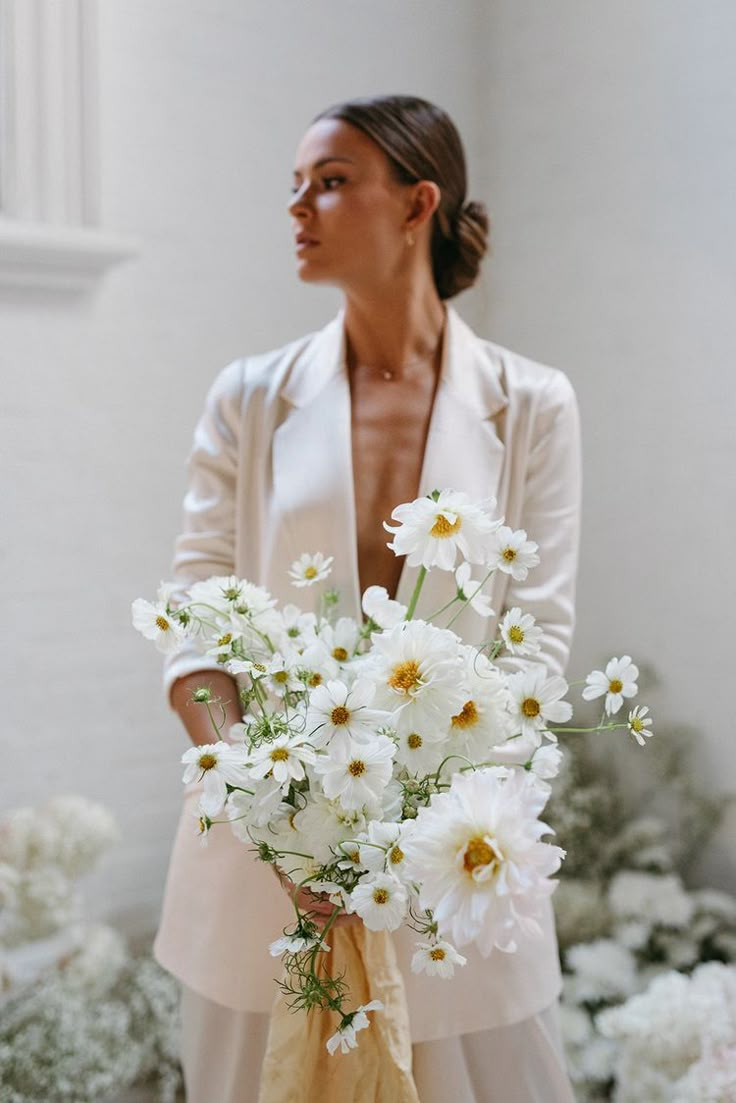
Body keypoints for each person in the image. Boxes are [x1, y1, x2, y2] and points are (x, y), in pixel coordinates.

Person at [154, 94, 581, 1103]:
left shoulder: (531, 406)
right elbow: (193, 618)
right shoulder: (251, 395)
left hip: (451, 866)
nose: (299, 205)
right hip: (258, 863)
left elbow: (539, 641)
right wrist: (281, 825)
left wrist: (415, 836)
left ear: (416, 204)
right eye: (294, 185)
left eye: (331, 181)